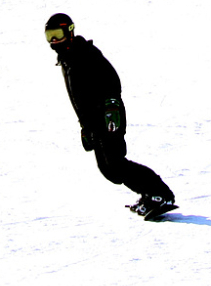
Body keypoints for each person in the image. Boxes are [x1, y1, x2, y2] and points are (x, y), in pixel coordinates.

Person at [46, 13, 176, 219]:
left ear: (70, 32)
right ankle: (148, 193)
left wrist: (111, 107)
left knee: (115, 163)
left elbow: (111, 79)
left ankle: (160, 194)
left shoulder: (86, 53)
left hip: (108, 115)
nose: (54, 40)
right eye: (50, 36)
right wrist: (85, 126)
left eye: (57, 34)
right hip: (92, 120)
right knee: (108, 169)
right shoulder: (67, 60)